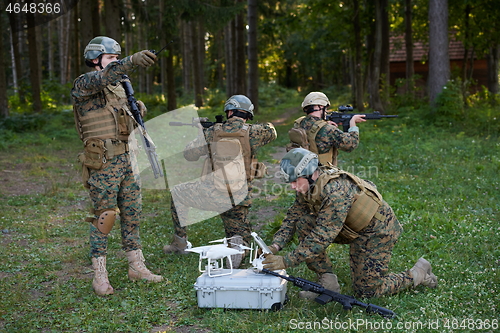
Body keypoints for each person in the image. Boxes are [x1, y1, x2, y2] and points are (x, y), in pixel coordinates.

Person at [262, 148, 437, 299]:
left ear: (309, 173)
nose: (293, 186)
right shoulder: (309, 185)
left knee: (367, 291)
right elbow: (293, 217)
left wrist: (285, 261)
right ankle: (328, 283)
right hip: (348, 227)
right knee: (304, 223)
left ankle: (417, 274)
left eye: (295, 181)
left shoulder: (335, 191)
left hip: (376, 232)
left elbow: (321, 238)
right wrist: (275, 246)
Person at [71, 36, 163, 296]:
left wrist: (136, 113)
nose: (116, 63)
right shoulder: (85, 84)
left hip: (127, 160)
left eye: (118, 58)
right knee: (105, 217)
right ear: (95, 59)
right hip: (103, 162)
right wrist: (131, 61)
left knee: (132, 213)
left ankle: (137, 266)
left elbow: (127, 124)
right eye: (112, 58)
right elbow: (104, 77)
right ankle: (100, 275)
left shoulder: (121, 88)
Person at [163, 95, 277, 268]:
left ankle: (180, 243)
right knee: (239, 231)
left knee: (177, 193)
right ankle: (237, 245)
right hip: (239, 199)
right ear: (247, 115)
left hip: (212, 194)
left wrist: (203, 132)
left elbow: (189, 154)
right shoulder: (254, 132)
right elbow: (272, 131)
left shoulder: (212, 133)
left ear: (229, 111)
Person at [289, 92, 366, 166]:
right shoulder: (328, 129)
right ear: (320, 107)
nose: (326, 112)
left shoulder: (299, 123)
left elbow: (312, 130)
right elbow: (351, 145)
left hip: (301, 172)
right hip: (321, 174)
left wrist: (324, 124)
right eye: (326, 108)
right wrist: (352, 124)